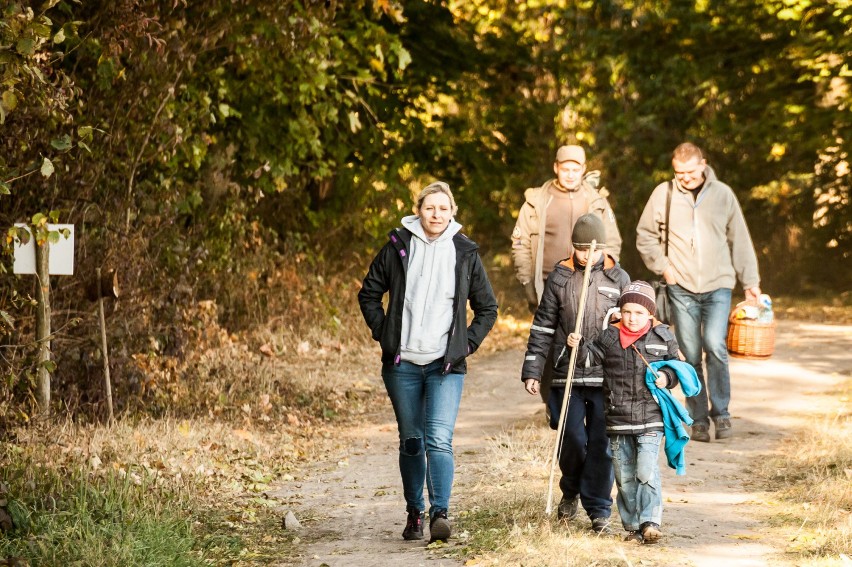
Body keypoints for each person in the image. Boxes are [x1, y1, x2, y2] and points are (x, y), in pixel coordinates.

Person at [358, 181, 498, 544]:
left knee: (439, 439)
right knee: (412, 441)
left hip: (445, 365)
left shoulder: (464, 252)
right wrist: (383, 333)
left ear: (453, 212)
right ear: (418, 210)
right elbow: (369, 293)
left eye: (443, 208)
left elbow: (487, 308)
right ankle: (414, 511)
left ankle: (440, 513)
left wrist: (464, 345)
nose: (436, 215)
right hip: (402, 364)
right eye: (430, 208)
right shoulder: (397, 246)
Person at [636, 142, 761, 442]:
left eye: (690, 172)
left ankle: (722, 414)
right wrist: (664, 267)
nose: (685, 178)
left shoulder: (723, 194)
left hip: (719, 284)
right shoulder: (663, 194)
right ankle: (699, 419)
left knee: (715, 346)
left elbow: (740, 239)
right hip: (681, 287)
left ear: (703, 165)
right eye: (679, 173)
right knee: (689, 354)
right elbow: (645, 236)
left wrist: (751, 282)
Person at [520, 214, 629, 534]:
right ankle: (570, 491)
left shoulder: (618, 279)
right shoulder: (561, 278)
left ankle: (598, 508)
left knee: (601, 444)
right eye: (580, 249)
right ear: (573, 248)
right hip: (565, 374)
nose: (586, 255)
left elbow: (631, 326)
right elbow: (542, 327)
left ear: (603, 249)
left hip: (605, 378)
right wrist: (533, 369)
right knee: (571, 438)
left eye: (592, 250)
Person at [566, 281, 686, 544]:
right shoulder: (609, 337)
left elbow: (678, 368)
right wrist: (576, 345)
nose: (632, 318)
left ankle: (651, 521)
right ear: (620, 311)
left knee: (646, 469)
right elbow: (587, 361)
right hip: (618, 418)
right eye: (627, 312)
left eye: (639, 313)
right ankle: (633, 527)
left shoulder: (663, 336)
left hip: (650, 417)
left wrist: (667, 377)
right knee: (624, 476)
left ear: (650, 314)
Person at [511, 144, 623, 403]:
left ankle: (585, 400)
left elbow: (613, 241)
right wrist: (527, 279)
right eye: (565, 169)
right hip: (550, 281)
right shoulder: (537, 200)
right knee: (551, 340)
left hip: (590, 281)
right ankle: (553, 401)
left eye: (576, 169)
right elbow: (521, 242)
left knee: (588, 338)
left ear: (584, 170)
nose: (571, 174)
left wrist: (607, 273)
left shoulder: (597, 201)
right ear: (555, 168)